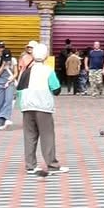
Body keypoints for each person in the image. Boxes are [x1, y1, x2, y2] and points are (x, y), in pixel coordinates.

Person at [19, 43, 68, 176]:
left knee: (29, 135)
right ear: (46, 56)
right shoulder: (48, 71)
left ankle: (30, 165)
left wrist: (21, 105)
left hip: (27, 106)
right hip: (43, 106)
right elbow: (56, 90)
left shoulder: (27, 72)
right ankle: (52, 164)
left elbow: (19, 89)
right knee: (47, 135)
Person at [0, 49, 17, 129]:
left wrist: (12, 79)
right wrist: (3, 65)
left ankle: (3, 117)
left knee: (8, 100)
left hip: (9, 82)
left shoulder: (13, 60)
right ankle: (1, 121)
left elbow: (16, 73)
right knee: (0, 102)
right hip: (0, 83)